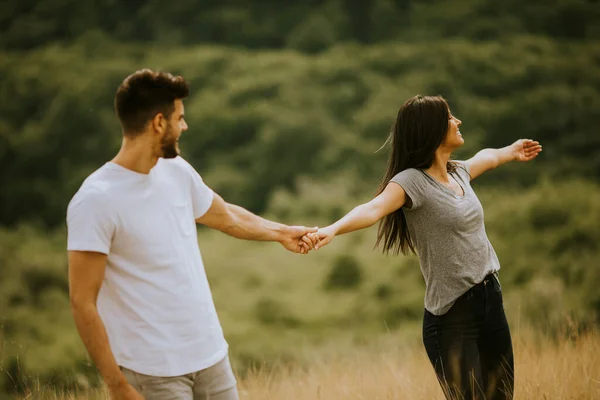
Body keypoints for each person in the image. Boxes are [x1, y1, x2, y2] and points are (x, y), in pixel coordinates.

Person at [66, 69, 318, 400]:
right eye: (179, 118)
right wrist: (117, 385)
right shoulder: (95, 199)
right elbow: (82, 301)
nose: (184, 126)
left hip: (211, 358)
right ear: (159, 122)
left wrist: (281, 232)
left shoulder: (176, 170)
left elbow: (226, 215)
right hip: (152, 373)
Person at [311, 95, 542, 400]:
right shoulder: (412, 182)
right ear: (431, 129)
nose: (457, 122)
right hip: (452, 318)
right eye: (449, 118)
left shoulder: (459, 172)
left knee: (502, 396)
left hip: (490, 302)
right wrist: (332, 229)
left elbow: (488, 157)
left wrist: (511, 151)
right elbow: (373, 209)